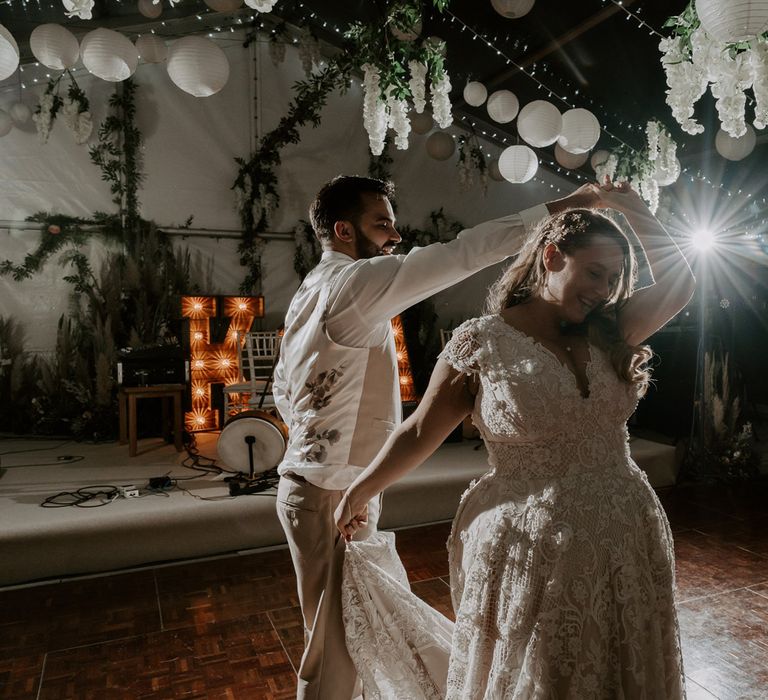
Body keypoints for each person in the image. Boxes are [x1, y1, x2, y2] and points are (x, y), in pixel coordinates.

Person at [336, 179, 694, 698]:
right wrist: (358, 491)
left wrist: (633, 209)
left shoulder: (612, 330)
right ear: (550, 256)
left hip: (626, 529)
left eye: (614, 279)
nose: (603, 289)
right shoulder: (481, 342)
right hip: (533, 548)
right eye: (594, 272)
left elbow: (681, 283)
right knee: (546, 676)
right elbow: (417, 432)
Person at [272, 174, 612, 699]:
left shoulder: (307, 293)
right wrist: (566, 206)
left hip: (318, 483)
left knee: (350, 640)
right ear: (343, 230)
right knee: (333, 656)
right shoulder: (355, 284)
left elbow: (282, 389)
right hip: (329, 491)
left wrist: (316, 441)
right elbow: (461, 254)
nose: (394, 236)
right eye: (381, 224)